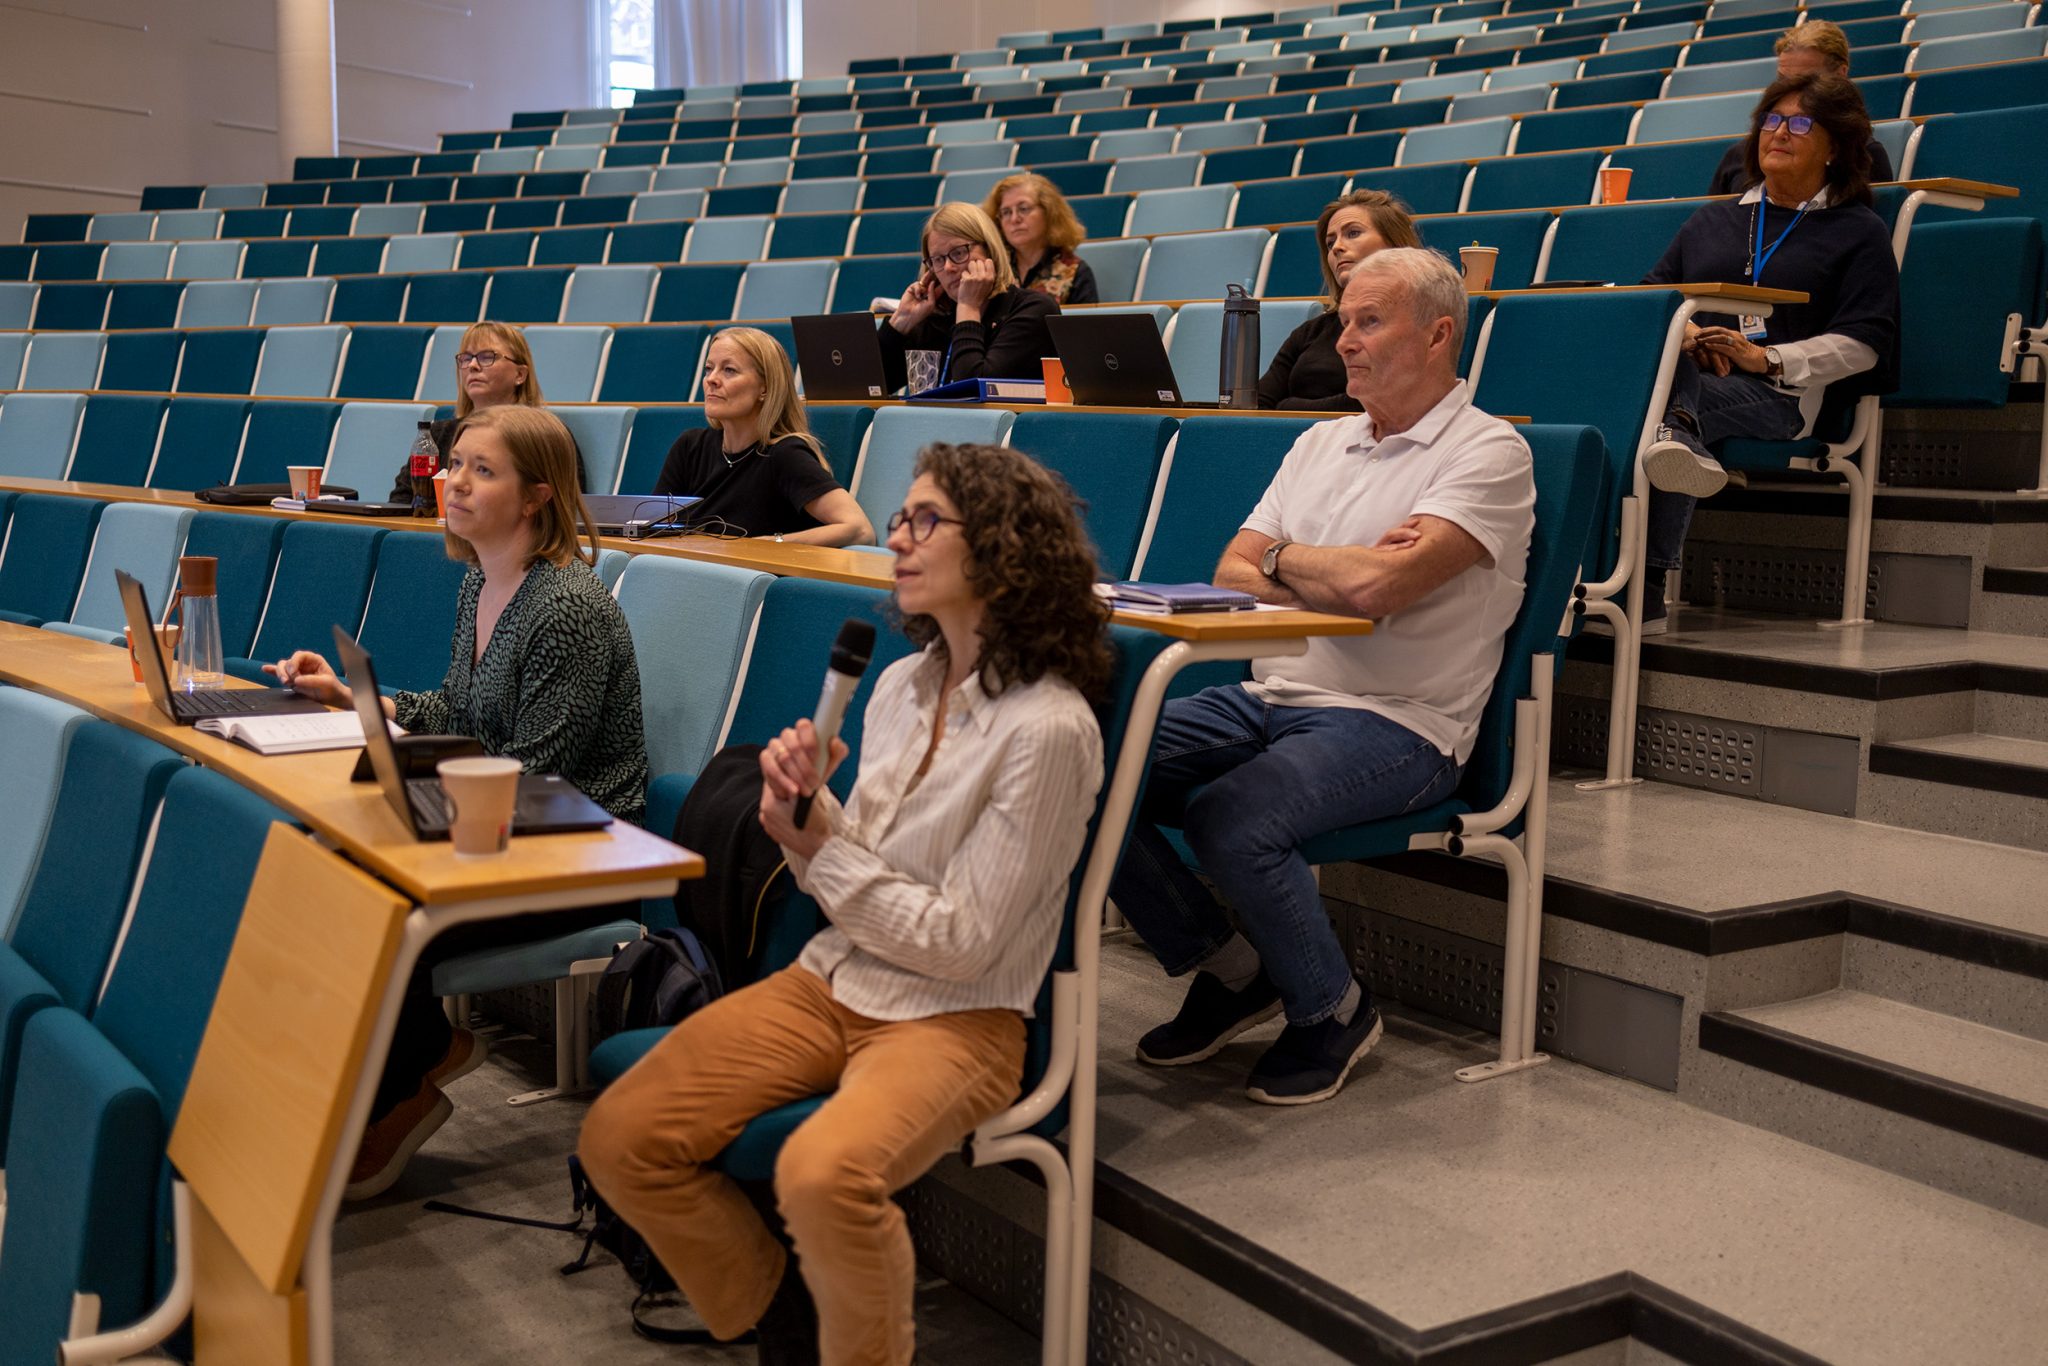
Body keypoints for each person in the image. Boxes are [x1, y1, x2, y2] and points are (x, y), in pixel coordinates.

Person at [578, 443, 1111, 1364]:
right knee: (621, 1137)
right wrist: (803, 816)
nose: (896, 537)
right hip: (834, 981)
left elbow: (964, 943)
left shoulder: (1050, 728)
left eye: (925, 521)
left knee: (823, 1175)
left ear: (1003, 548)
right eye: (900, 518)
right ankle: (785, 1317)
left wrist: (821, 849)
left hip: (958, 1019)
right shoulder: (902, 685)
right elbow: (854, 868)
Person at [1109, 247, 1534, 1107]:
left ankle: (1332, 1009)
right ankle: (1234, 970)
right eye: (1343, 322)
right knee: (1079, 759)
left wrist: (1288, 558)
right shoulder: (1318, 440)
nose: (1344, 342)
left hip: (1402, 721)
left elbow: (1379, 589)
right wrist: (1324, 565)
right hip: (1272, 694)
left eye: (1369, 322)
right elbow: (1233, 569)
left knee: (1230, 816)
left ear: (1438, 335)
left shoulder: (1489, 452)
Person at [271, 405, 649, 1198]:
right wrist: (350, 697)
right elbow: (457, 710)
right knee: (326, 866)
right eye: (455, 465)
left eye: (484, 470)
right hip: (503, 825)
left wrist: (420, 796)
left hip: (578, 851)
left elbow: (538, 775)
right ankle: (395, 1065)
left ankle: (403, 1084)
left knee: (382, 900)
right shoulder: (482, 578)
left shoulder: (567, 608)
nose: (456, 482)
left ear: (537, 495)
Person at [1641, 73, 1899, 635]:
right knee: (1662, 400)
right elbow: (1653, 299)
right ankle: (1679, 438)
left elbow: (1866, 342)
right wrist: (1689, 337)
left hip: (1780, 396)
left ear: (1835, 147)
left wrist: (1766, 359)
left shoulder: (1858, 230)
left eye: (1800, 123)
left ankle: (1645, 585)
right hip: (1690, 376)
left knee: (1654, 411)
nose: (1779, 132)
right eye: (1771, 120)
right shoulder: (1713, 218)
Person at [650, 326, 874, 545]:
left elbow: (859, 530)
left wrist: (769, 543)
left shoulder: (784, 455)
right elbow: (651, 527)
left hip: (743, 570)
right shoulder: (690, 447)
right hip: (682, 565)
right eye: (709, 369)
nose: (711, 379)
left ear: (765, 388)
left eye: (729, 370)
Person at [385, 320, 589, 503]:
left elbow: (567, 508)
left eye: (487, 357)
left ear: (520, 374)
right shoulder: (438, 434)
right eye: (466, 358)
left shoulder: (544, 435)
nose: (472, 366)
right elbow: (401, 501)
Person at [1257, 189, 1423, 411]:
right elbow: (1258, 404)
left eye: (1353, 233)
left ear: (1394, 244)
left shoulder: (1415, 319)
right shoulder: (1311, 331)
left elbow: (1371, 401)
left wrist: (1286, 405)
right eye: (1330, 242)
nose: (1336, 247)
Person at [879, 201, 1060, 392]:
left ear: (989, 251)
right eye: (938, 259)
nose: (948, 267)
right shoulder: (935, 318)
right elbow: (870, 386)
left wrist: (968, 307)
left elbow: (973, 393)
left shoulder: (1034, 309)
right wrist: (901, 322)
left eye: (958, 253)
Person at [1705, 22, 1895, 196]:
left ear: (1840, 75)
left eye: (1805, 82)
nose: (1790, 91)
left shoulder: (1864, 157)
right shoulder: (1740, 155)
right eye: (1782, 80)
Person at [980, 173, 1100, 305]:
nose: (1014, 219)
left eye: (1023, 209)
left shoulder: (1076, 273)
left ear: (1049, 212)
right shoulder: (992, 268)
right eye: (1006, 212)